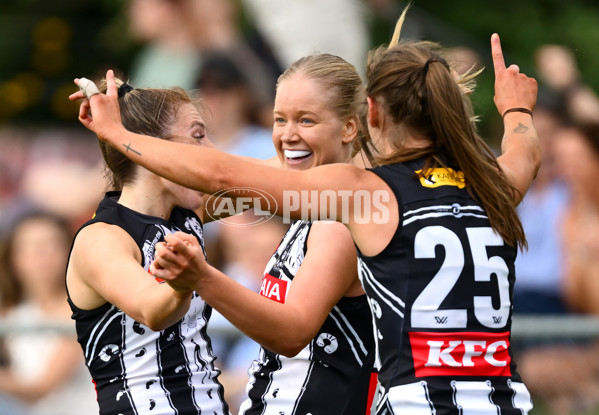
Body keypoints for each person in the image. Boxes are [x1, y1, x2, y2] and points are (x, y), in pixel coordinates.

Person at [71, 7, 540, 414]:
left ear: (367, 118)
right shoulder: (488, 185)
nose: (287, 134)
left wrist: (120, 136)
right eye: (279, 119)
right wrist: (517, 112)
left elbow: (222, 177)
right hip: (501, 401)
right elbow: (525, 156)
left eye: (306, 119)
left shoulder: (360, 197)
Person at [64, 80, 230, 414]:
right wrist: (185, 282)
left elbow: (277, 184)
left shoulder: (190, 211)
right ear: (152, 148)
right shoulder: (102, 238)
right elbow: (154, 309)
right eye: (198, 136)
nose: (213, 151)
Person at [0, 211, 97, 415]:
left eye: (52, 244)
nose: (43, 255)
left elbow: (42, 387)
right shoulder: (12, 312)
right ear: (13, 257)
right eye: (31, 247)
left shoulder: (82, 308)